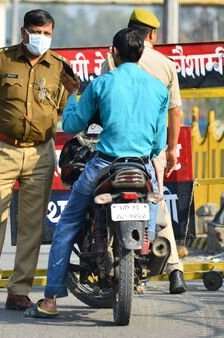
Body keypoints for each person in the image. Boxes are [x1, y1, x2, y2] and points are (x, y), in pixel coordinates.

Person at [24, 27, 168, 318]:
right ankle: (146, 244)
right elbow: (158, 143)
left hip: (104, 165)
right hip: (140, 165)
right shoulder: (158, 88)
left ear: (113, 53)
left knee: (67, 226)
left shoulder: (102, 84)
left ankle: (50, 300)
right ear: (141, 53)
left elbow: (73, 125)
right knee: (154, 201)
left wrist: (74, 94)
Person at [0, 9, 69, 312]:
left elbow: (61, 107)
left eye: (47, 33)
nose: (42, 38)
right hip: (1, 149)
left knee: (33, 225)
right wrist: (5, 124)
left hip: (40, 153)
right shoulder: (0, 60)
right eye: (37, 32)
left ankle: (19, 290)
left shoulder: (59, 67)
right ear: (24, 32)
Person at [101, 8, 186, 294]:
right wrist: (171, 149)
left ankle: (119, 269)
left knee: (101, 204)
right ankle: (174, 269)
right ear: (152, 34)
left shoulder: (110, 62)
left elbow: (99, 106)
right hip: (150, 150)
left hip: (112, 150)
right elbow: (175, 113)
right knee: (155, 203)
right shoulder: (165, 65)